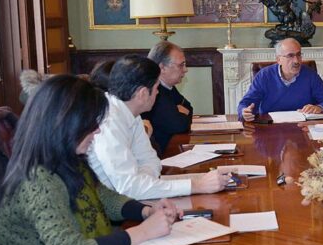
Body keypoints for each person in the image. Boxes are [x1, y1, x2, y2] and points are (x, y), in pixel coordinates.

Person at [0, 75, 179, 245]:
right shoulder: (37, 180)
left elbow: (102, 196)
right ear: (65, 124)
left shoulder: (66, 158)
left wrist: (146, 211)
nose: (97, 131)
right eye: (91, 123)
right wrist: (143, 232)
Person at [88, 55, 232, 200]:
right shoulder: (108, 122)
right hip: (108, 208)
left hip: (133, 199)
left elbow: (151, 160)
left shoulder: (130, 112)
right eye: (157, 88)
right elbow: (129, 188)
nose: (158, 93)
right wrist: (197, 186)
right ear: (143, 94)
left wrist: (144, 184)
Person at [238, 38, 323, 121]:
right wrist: (244, 112)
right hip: (271, 130)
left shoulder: (309, 75)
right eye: (290, 56)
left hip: (302, 130)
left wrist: (319, 108)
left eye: (299, 55)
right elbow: (245, 104)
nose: (296, 61)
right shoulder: (264, 75)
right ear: (279, 59)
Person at [142, 41, 193, 155]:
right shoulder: (155, 91)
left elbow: (189, 107)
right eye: (181, 65)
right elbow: (179, 125)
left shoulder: (168, 86)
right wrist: (181, 113)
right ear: (162, 68)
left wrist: (180, 113)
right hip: (161, 154)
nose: (185, 69)